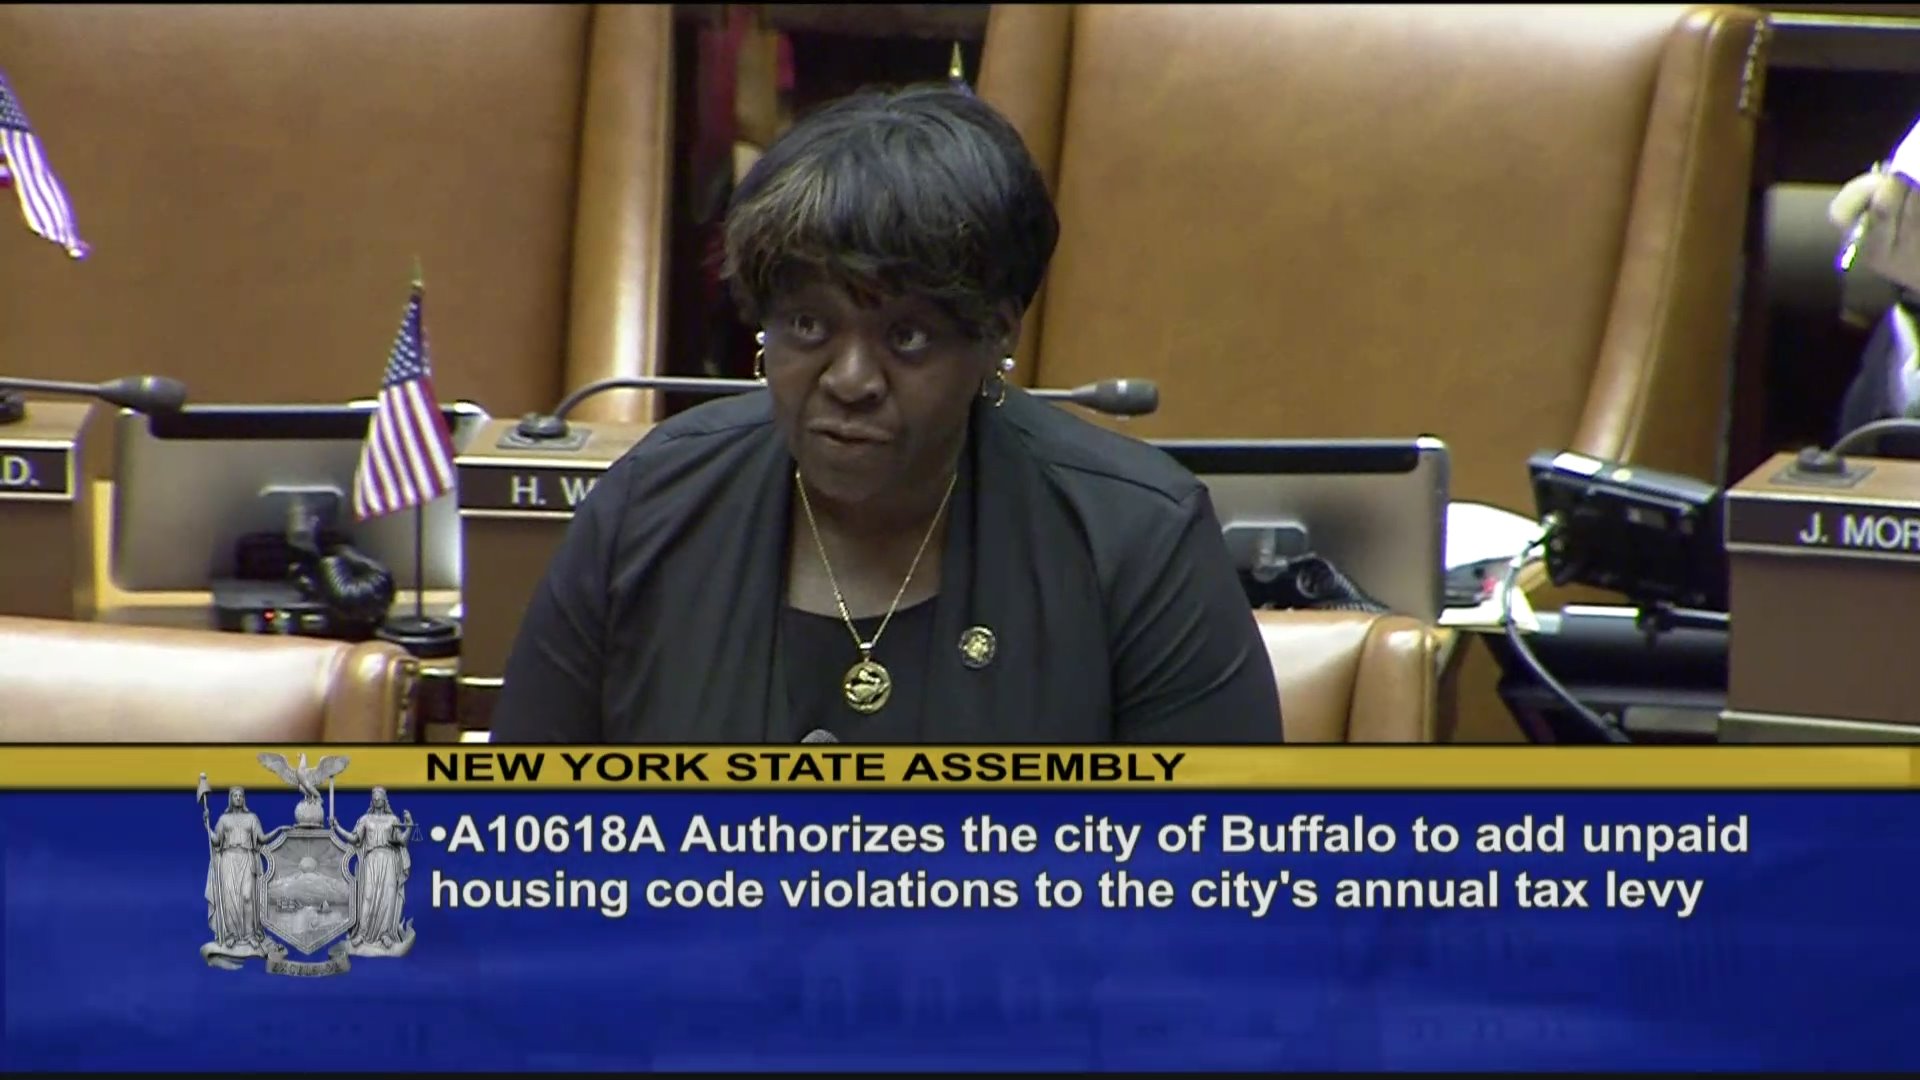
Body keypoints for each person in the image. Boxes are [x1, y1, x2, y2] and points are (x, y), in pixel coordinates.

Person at [490, 84, 1281, 743]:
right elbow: (520, 839)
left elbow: (1217, 861)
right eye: (810, 325)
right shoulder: (648, 508)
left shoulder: (1136, 541)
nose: (850, 379)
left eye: (906, 335)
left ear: (996, 334)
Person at [335, 787, 415, 956]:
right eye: (374, 796)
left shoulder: (393, 819)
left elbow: (401, 841)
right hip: (371, 860)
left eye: (379, 796)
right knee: (367, 896)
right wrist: (338, 827)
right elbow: (355, 838)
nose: (377, 798)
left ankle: (386, 934)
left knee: (388, 897)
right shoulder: (365, 819)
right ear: (372, 799)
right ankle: (361, 934)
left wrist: (408, 825)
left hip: (389, 860)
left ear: (384, 799)